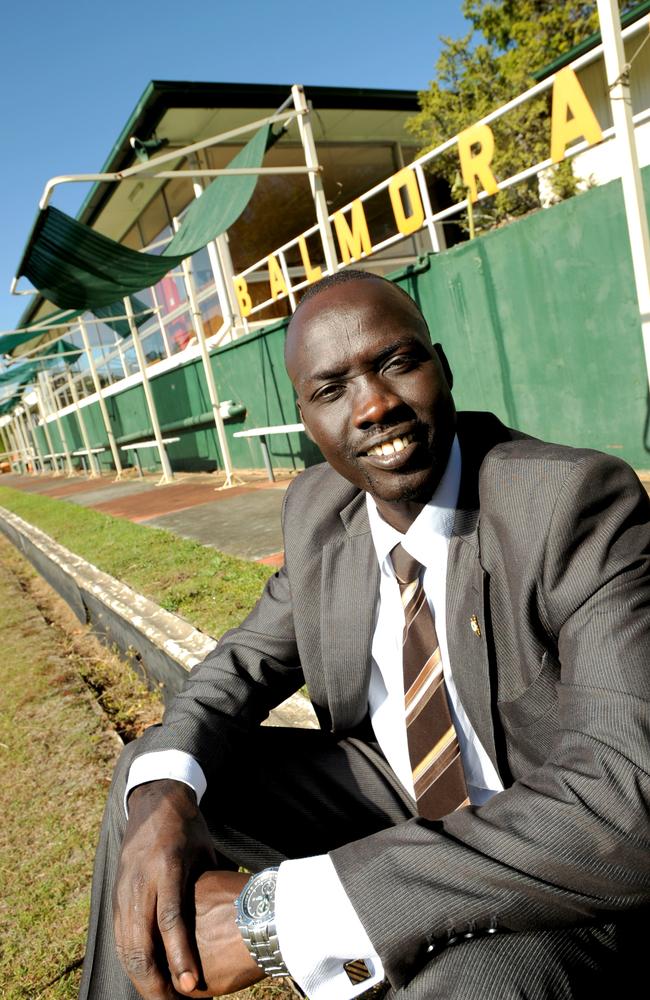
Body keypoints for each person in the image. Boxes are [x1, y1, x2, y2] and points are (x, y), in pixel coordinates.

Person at [80, 271, 650, 1000]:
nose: (374, 405)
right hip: (401, 802)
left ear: (441, 366)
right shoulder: (323, 511)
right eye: (332, 389)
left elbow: (624, 806)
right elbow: (242, 664)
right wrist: (163, 790)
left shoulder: (571, 506)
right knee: (154, 780)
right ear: (307, 417)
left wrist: (280, 918)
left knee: (469, 978)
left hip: (560, 857)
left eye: (396, 363)